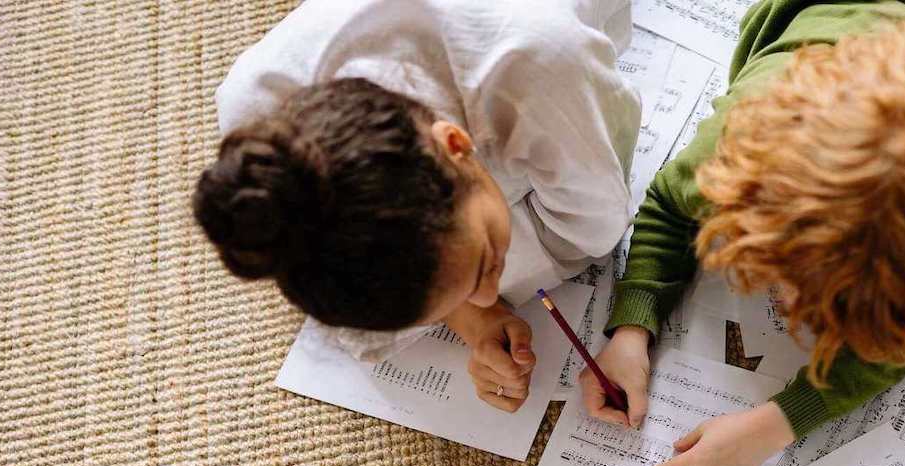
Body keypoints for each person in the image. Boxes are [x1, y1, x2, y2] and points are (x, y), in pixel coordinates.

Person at [581, 2, 905, 466]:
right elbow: (670, 204)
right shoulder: (738, 146)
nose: (785, 303)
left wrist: (771, 427)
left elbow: (898, 343)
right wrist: (631, 329)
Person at [192, 0, 640, 411]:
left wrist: (468, 304)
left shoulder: (538, 67)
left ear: (456, 143)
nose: (491, 293)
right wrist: (467, 315)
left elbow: (592, 227)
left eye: (486, 265)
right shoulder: (257, 117)